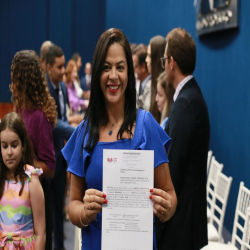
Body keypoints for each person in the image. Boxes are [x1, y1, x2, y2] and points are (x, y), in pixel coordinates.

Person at [62, 28, 177, 250]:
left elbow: (170, 195)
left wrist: (166, 207)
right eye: (106, 67)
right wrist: (84, 212)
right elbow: (73, 206)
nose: (113, 76)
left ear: (129, 73)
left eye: (120, 67)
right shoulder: (85, 132)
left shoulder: (147, 126)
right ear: (97, 73)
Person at [155, 28, 210, 250]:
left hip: (182, 224)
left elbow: (173, 168)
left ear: (172, 63)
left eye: (164, 60)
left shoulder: (185, 103)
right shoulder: (190, 97)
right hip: (186, 218)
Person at [10, 50, 57, 250]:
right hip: (19, 195)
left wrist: (25, 164)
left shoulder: (39, 116)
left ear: (21, 79)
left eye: (14, 76)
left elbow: (50, 167)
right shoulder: (20, 108)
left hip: (37, 196)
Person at [0, 112, 45, 249]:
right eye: (4, 146)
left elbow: (41, 233)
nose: (9, 152)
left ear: (23, 145)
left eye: (14, 145)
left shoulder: (31, 179)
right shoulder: (1, 178)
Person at [46, 44, 75, 250]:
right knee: (49, 209)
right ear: (48, 67)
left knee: (59, 206)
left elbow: (63, 115)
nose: (63, 71)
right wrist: (77, 131)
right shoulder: (45, 91)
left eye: (64, 66)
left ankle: (59, 247)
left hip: (62, 154)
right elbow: (54, 122)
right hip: (49, 157)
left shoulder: (63, 86)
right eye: (59, 67)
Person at [146, 35, 166, 123]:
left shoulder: (166, 86)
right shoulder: (149, 83)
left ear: (157, 58)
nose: (146, 60)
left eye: (149, 56)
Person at [132, 44, 151, 111]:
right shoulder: (140, 84)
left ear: (143, 67)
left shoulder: (152, 86)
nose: (132, 70)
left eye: (134, 66)